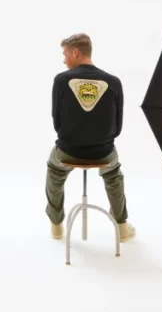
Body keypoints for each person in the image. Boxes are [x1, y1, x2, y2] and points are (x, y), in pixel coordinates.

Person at [45, 33, 136, 242]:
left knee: (54, 172)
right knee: (113, 174)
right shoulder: (114, 82)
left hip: (68, 151)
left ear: (76, 52)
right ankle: (121, 226)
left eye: (65, 54)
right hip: (103, 152)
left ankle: (56, 224)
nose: (64, 59)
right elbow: (118, 125)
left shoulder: (61, 80)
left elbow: (57, 122)